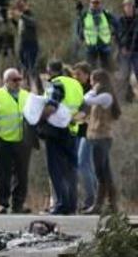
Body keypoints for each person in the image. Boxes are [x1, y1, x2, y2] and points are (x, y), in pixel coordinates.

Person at [41, 61, 84, 215]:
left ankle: (61, 204)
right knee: (71, 169)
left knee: (56, 169)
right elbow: (84, 108)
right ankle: (72, 205)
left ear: (52, 71)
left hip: (56, 130)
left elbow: (52, 105)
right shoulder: (76, 84)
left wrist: (39, 117)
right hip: (72, 130)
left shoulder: (56, 83)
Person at [0, 69, 31, 214]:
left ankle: (19, 204)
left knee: (22, 174)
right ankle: (3, 204)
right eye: (14, 80)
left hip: (22, 141)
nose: (18, 82)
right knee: (3, 174)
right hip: (3, 140)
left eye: (19, 79)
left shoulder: (27, 95)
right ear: (6, 81)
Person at [82, 70, 121, 214]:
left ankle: (100, 205)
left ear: (98, 81)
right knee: (105, 171)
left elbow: (86, 99)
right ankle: (111, 205)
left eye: (92, 80)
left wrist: (93, 89)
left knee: (101, 172)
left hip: (102, 138)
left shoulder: (105, 96)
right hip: (96, 137)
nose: (90, 83)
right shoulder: (102, 95)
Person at [72, 63, 97, 212]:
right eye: (75, 74)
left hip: (89, 133)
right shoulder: (76, 89)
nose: (76, 77)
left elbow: (85, 113)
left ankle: (91, 200)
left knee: (83, 164)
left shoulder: (90, 92)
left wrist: (70, 118)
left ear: (87, 75)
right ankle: (93, 200)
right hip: (78, 132)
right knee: (84, 165)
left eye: (79, 74)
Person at [78, 0, 118, 70]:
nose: (95, 5)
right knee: (90, 67)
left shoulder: (106, 14)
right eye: (93, 2)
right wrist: (81, 38)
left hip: (104, 44)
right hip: (91, 45)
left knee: (107, 67)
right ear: (90, 3)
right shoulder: (85, 15)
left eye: (97, 2)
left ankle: (107, 81)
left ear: (101, 3)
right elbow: (80, 27)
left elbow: (117, 24)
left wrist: (114, 34)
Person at [13, 0, 42, 91]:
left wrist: (21, 15)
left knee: (32, 68)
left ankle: (39, 88)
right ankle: (27, 87)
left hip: (31, 44)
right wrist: (13, 20)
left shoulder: (30, 14)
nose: (21, 8)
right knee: (24, 67)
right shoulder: (22, 18)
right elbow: (20, 29)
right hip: (23, 44)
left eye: (22, 5)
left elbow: (33, 23)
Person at [116, 0, 138, 102]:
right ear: (124, 8)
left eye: (130, 6)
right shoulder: (120, 20)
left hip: (136, 51)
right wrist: (121, 47)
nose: (129, 8)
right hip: (124, 52)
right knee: (124, 75)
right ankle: (127, 97)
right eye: (126, 6)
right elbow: (117, 35)